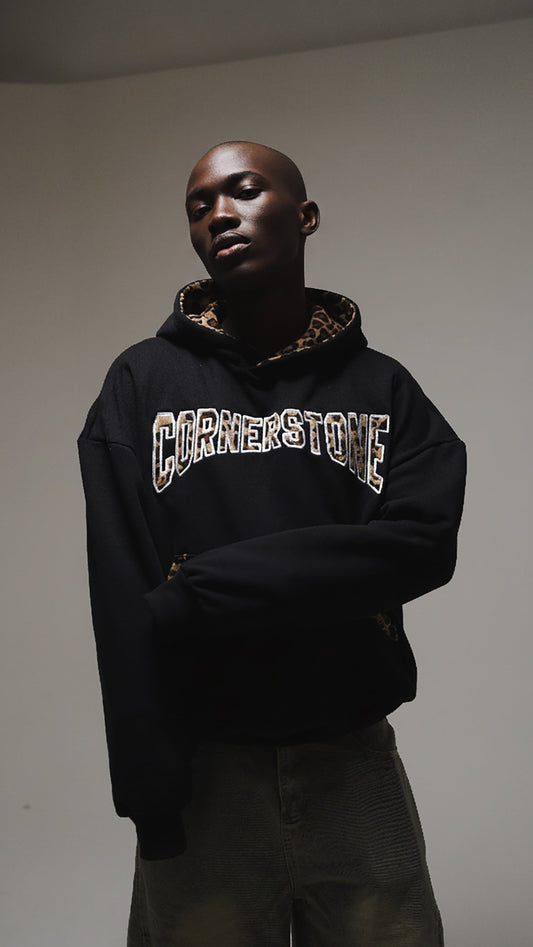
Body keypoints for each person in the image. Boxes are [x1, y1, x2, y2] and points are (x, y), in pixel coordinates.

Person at [78, 140, 466, 946]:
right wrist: (150, 791)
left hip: (352, 762)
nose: (219, 214)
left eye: (245, 190)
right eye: (198, 205)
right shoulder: (142, 383)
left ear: (305, 215)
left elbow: (421, 543)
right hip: (203, 771)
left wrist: (196, 590)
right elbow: (120, 593)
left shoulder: (382, 387)